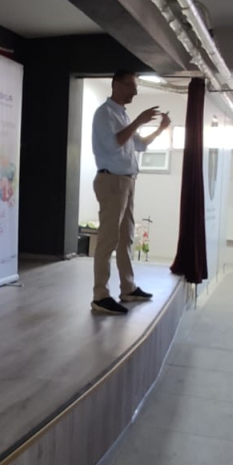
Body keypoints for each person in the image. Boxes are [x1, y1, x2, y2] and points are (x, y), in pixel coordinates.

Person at [89, 71, 170, 315]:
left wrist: (161, 129)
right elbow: (115, 143)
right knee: (108, 240)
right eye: (131, 86)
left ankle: (128, 287)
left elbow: (140, 145)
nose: (135, 92)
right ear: (116, 84)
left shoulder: (121, 114)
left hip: (126, 182)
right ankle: (100, 295)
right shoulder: (105, 114)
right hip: (111, 182)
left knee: (126, 237)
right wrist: (139, 121)